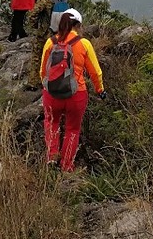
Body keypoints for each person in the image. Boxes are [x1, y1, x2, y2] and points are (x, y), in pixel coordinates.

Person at [39, 9, 105, 171]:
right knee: (73, 129)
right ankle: (67, 165)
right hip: (76, 94)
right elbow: (96, 72)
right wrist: (100, 89)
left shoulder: (50, 42)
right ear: (77, 25)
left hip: (52, 93)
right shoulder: (84, 44)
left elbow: (42, 71)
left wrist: (47, 86)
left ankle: (52, 157)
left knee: (52, 123)